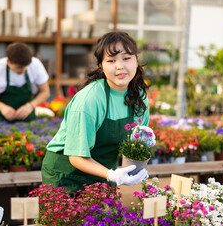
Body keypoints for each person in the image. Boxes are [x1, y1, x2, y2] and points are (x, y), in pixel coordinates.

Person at [41, 31, 150, 193]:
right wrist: (112, 175)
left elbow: (134, 141)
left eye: (126, 58)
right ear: (101, 66)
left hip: (104, 172)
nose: (120, 66)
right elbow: (76, 157)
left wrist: (143, 143)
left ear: (136, 60)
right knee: (70, 218)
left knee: (105, 217)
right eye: (111, 60)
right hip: (66, 174)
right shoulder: (90, 100)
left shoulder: (139, 96)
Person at [0, 42, 50, 217]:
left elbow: (45, 91)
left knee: (30, 155)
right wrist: (2, 107)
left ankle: (29, 198)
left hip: (27, 115)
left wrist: (31, 105)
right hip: (2, 117)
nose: (22, 71)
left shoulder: (35, 66)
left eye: (25, 67)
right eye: (18, 68)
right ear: (8, 62)